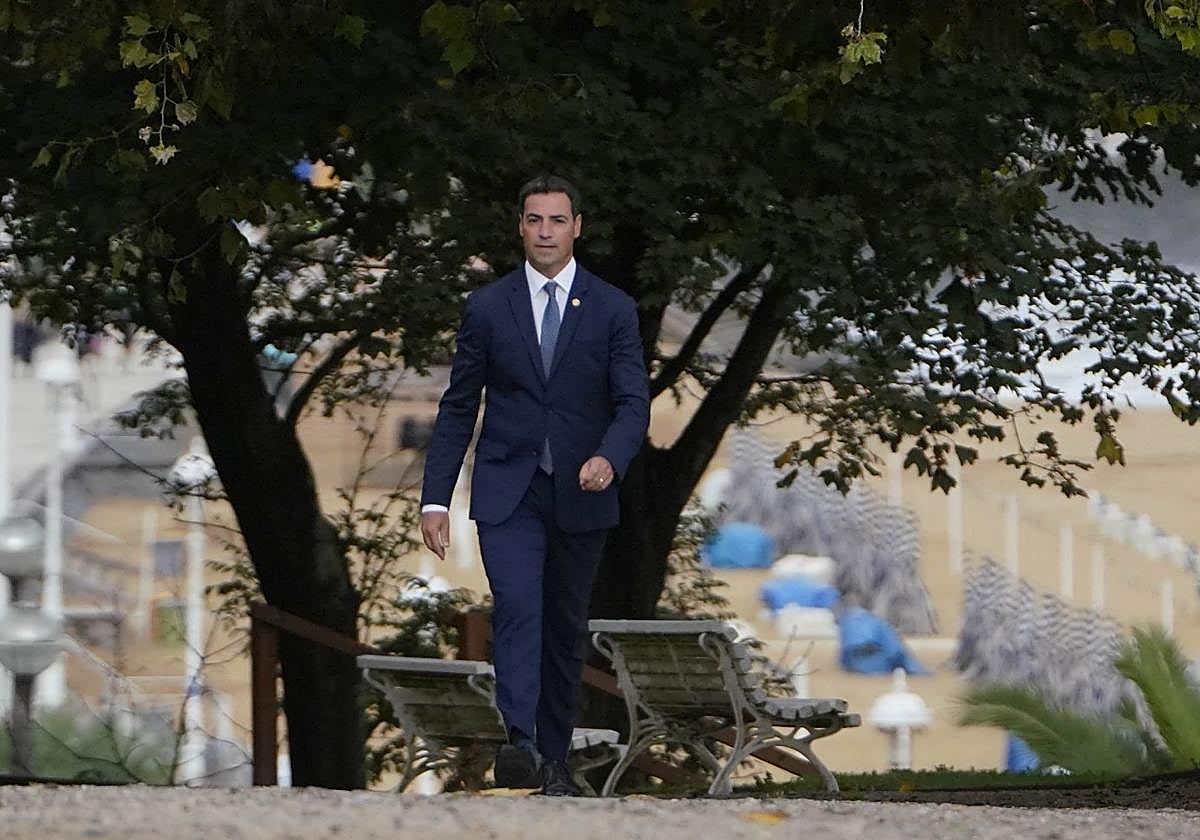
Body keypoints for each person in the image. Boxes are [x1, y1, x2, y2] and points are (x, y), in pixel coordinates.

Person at [420, 174, 650, 796]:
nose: (545, 231)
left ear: (577, 227)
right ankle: (519, 741)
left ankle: (554, 762)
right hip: (507, 489)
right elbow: (459, 404)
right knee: (518, 606)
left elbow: (633, 404)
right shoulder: (489, 308)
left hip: (582, 490)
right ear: (520, 227)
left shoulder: (612, 309)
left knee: (564, 624)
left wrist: (609, 458)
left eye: (556, 220)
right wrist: (436, 498)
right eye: (533, 220)